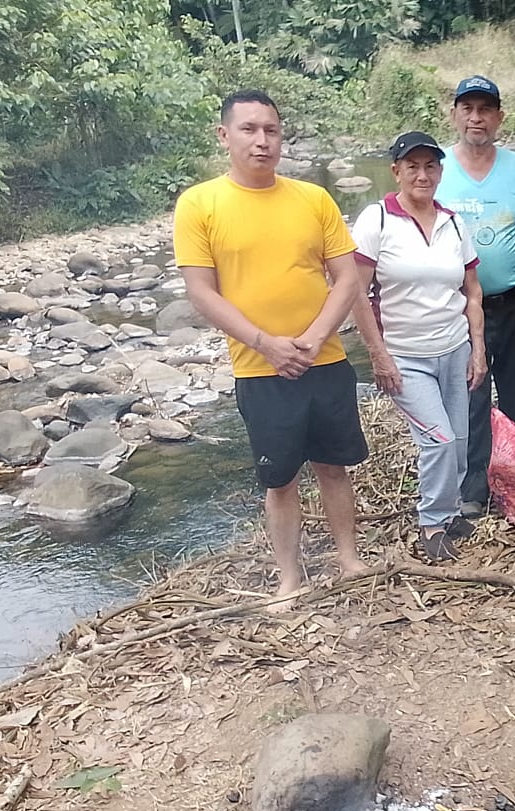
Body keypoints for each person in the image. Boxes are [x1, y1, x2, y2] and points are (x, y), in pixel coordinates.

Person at [174, 89, 367, 598]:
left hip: (324, 359)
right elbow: (201, 291)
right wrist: (267, 344)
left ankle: (349, 560)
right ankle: (289, 577)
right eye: (249, 129)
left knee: (333, 466)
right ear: (224, 135)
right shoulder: (200, 204)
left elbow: (347, 279)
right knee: (279, 480)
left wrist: (313, 338)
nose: (262, 140)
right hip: (260, 368)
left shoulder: (313, 199)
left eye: (271, 130)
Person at [350, 131, 486, 563]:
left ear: (441, 172)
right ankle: (432, 524)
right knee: (439, 440)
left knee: (459, 440)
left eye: (430, 166)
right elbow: (355, 293)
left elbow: (472, 291)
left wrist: (478, 349)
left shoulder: (453, 222)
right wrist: (378, 355)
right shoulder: (377, 220)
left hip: (455, 347)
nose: (422, 175)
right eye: (413, 166)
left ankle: (450, 511)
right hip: (406, 355)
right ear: (396, 171)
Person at [436, 75, 515, 519]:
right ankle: (475, 486)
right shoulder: (438, 167)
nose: (476, 118)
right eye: (468, 109)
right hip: (459, 304)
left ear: (499, 117)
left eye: (485, 110)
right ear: (455, 115)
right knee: (470, 394)